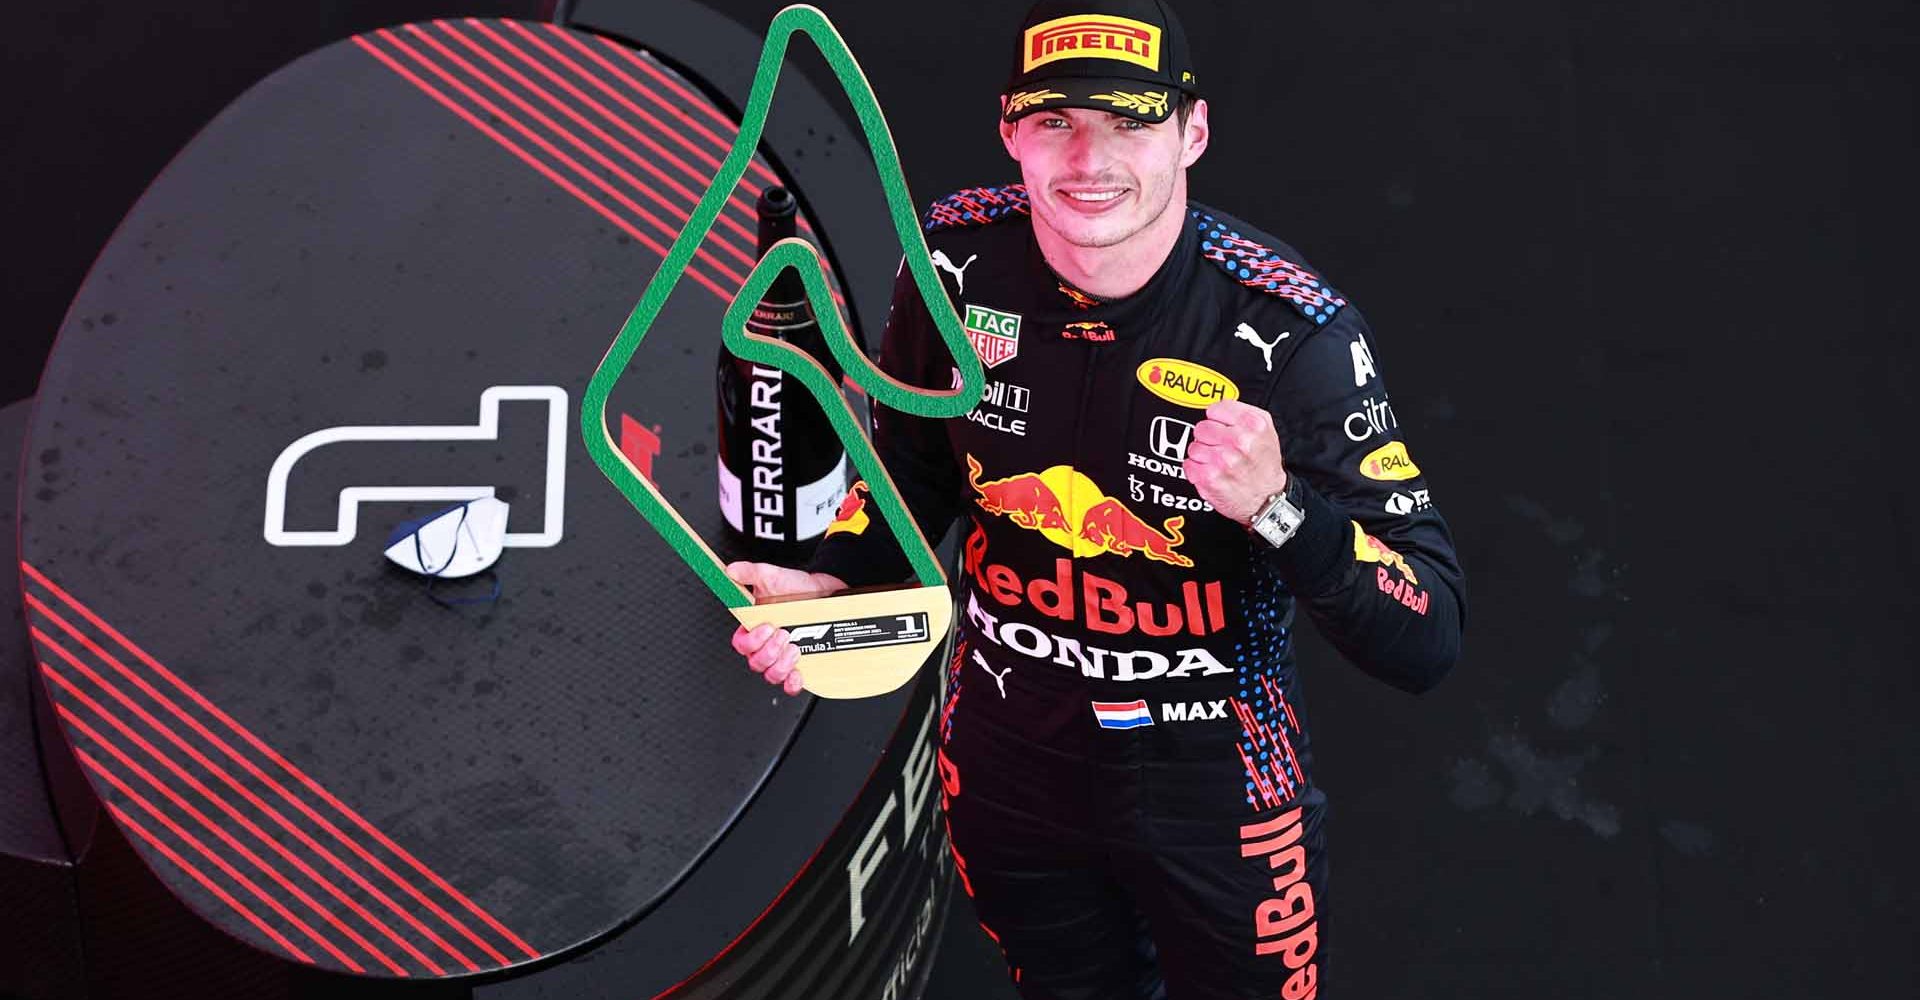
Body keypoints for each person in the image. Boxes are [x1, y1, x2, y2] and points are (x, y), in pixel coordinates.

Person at [729, 1, 1465, 995]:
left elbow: (1428, 633)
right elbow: (912, 471)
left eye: (1128, 120)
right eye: (1055, 122)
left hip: (1221, 790)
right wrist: (835, 586)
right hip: (1006, 758)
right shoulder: (947, 265)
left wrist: (1280, 505)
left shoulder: (1293, 329)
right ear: (1010, 132)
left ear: (1191, 132)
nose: (1089, 159)